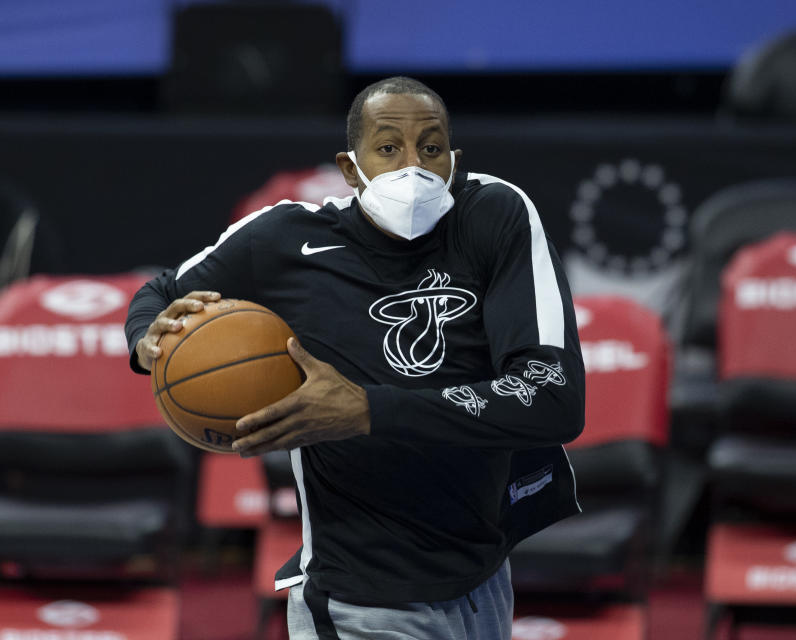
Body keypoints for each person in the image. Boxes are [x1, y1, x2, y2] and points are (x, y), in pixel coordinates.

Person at [125, 76, 585, 640]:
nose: (412, 166)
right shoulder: (285, 240)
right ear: (350, 167)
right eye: (388, 148)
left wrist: (368, 409)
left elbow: (554, 400)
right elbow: (162, 291)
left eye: (432, 148)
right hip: (360, 595)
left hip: (483, 578)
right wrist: (149, 338)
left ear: (455, 160)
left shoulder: (495, 215)